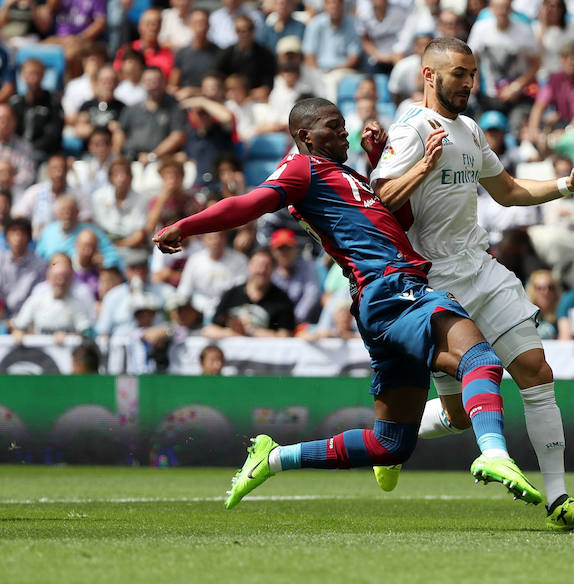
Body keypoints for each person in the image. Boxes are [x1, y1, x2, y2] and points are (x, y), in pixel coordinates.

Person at [153, 97, 548, 514]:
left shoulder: (342, 175)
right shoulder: (301, 168)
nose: (345, 132)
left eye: (344, 125)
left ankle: (271, 458)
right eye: (333, 126)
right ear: (305, 136)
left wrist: (379, 159)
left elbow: (402, 222)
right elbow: (249, 204)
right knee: (480, 358)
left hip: (381, 299)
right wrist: (186, 225)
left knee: (390, 443)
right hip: (390, 287)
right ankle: (494, 453)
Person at [368, 38, 574, 530]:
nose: (469, 82)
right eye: (459, 72)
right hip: (434, 285)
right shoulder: (412, 130)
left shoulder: (472, 131)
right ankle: (392, 440)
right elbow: (381, 199)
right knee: (459, 416)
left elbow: (508, 192)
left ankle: (559, 501)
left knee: (535, 371)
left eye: (473, 73)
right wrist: (420, 168)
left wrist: (569, 184)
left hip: (480, 268)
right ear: (429, 75)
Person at [11, 253, 93, 343]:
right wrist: (18, 333)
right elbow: (19, 326)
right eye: (57, 277)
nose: (61, 282)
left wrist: (69, 337)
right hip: (38, 354)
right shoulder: (36, 300)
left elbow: (87, 333)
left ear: (71, 279)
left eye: (65, 277)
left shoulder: (78, 304)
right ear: (49, 277)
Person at [178, 230, 248, 321]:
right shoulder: (194, 260)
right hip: (198, 312)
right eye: (211, 238)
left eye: (220, 236)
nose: (216, 241)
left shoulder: (240, 260)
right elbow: (184, 290)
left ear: (225, 238)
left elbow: (241, 290)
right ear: (204, 240)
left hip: (229, 312)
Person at [270, 228, 322, 325]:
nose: (284, 253)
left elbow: (312, 294)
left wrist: (292, 320)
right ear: (273, 252)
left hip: (305, 324)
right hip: (278, 325)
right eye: (280, 249)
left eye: (288, 248)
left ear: (296, 249)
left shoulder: (308, 266)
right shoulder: (270, 271)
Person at [0, 218, 44, 321]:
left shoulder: (39, 264)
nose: (18, 237)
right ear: (6, 237)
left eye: (22, 233)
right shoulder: (1, 261)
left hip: (29, 318)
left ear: (29, 237)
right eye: (14, 232)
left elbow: (39, 295)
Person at [524, 269, 561, 340]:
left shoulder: (562, 315)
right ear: (532, 291)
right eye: (540, 288)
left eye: (550, 288)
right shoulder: (524, 318)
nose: (546, 292)